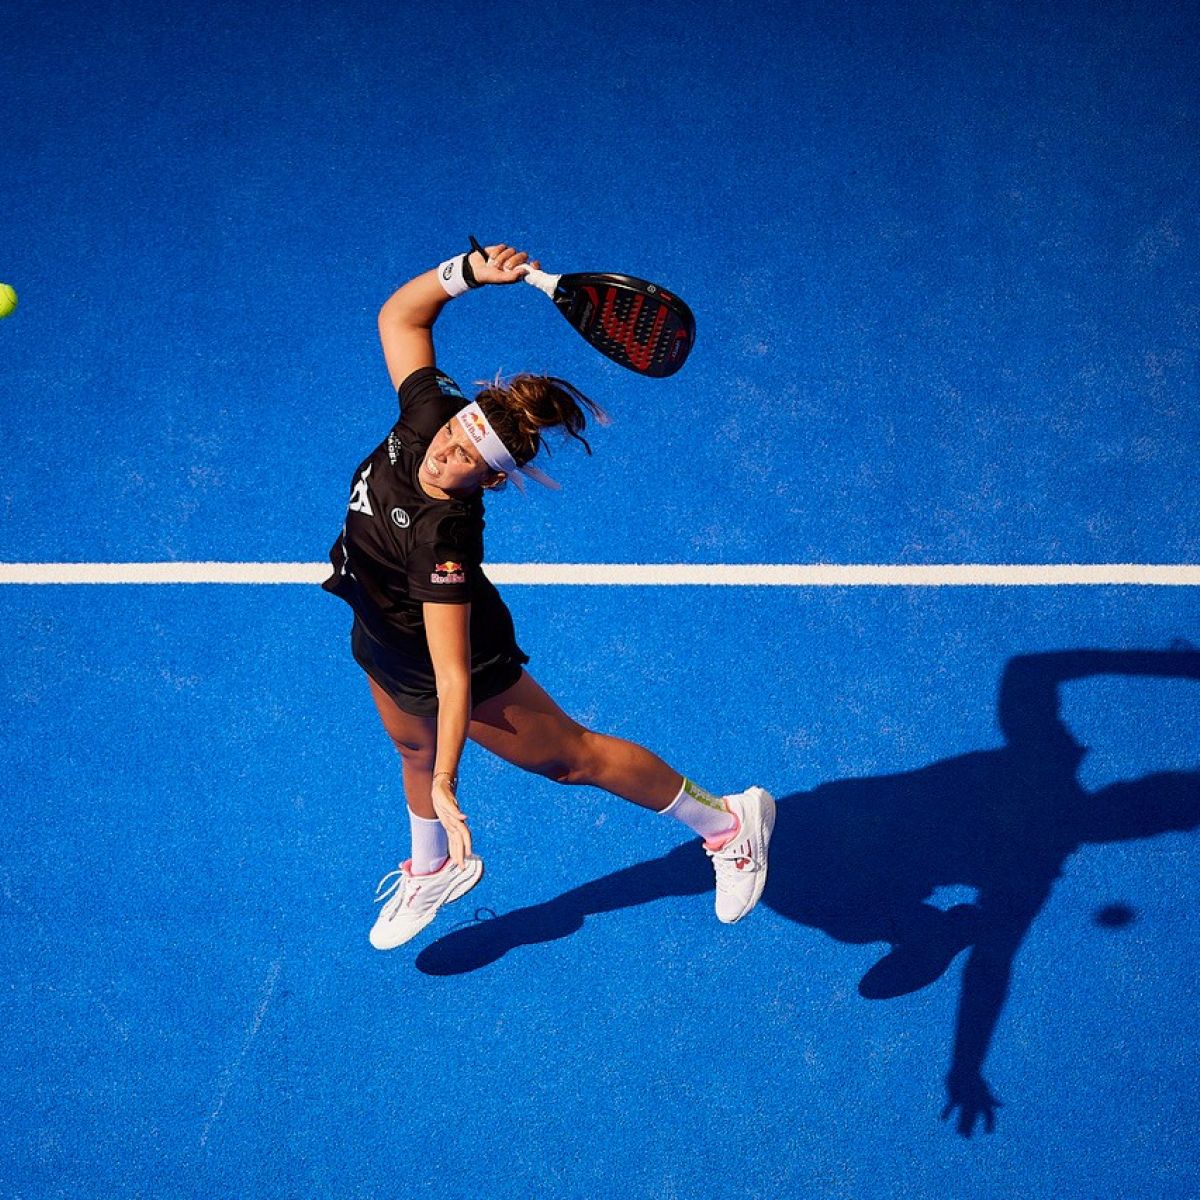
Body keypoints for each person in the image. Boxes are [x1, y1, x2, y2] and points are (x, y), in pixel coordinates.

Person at [324, 239, 775, 950]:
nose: (445, 451)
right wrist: (466, 274)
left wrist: (450, 781)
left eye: (465, 457)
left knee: (571, 758)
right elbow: (400, 320)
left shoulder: (446, 538)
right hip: (380, 631)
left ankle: (728, 824)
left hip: (458, 658)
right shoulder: (428, 418)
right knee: (408, 749)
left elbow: (451, 677)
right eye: (452, 433)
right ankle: (432, 866)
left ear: (490, 479)